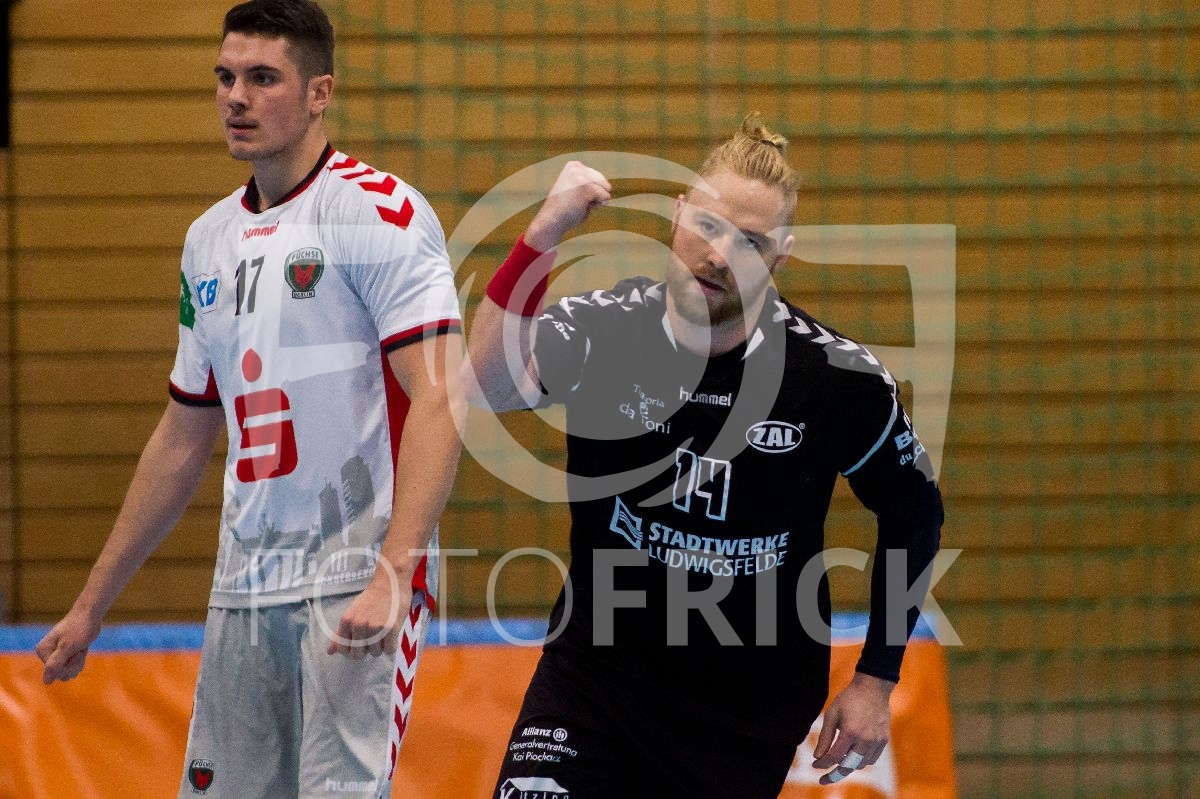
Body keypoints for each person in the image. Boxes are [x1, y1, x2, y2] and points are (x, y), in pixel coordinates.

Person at [34, 2, 464, 797]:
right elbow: (182, 438)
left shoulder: (380, 212)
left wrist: (394, 572)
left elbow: (441, 397)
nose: (236, 96)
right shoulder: (208, 240)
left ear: (319, 93)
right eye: (226, 77)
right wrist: (92, 604)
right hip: (245, 582)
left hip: (352, 573)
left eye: (263, 78)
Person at [465, 114, 943, 798]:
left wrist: (876, 677)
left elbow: (915, 513)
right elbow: (487, 384)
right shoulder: (606, 328)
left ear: (779, 257)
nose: (719, 255)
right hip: (594, 681)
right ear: (678, 214)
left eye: (750, 243)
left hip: (743, 712)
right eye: (709, 226)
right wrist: (543, 234)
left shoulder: (837, 379)